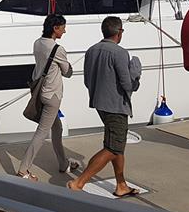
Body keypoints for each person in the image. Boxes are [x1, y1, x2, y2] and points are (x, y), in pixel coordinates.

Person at [67, 16, 141, 196]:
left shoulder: (91, 50)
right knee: (112, 148)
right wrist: (136, 72)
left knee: (116, 146)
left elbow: (86, 80)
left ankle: (121, 185)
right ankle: (79, 182)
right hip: (116, 106)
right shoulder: (120, 53)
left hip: (99, 103)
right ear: (118, 33)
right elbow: (128, 84)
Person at [17, 14, 80, 181]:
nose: (65, 31)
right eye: (63, 27)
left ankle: (63, 163)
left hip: (40, 92)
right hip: (52, 95)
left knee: (57, 129)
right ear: (55, 28)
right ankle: (23, 170)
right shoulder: (58, 49)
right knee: (41, 133)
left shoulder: (37, 43)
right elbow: (67, 72)